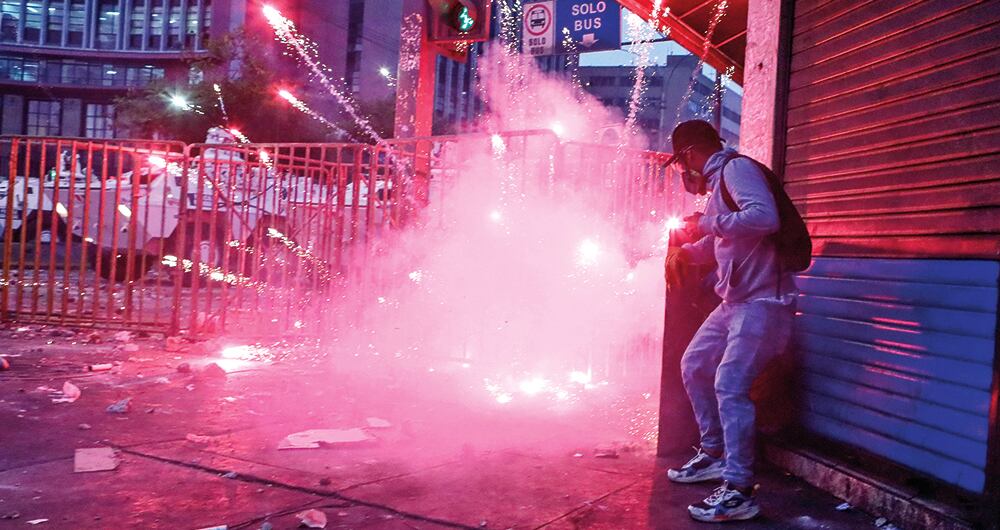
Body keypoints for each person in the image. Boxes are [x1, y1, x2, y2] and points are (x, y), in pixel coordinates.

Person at [663, 120, 797, 522]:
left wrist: (705, 223)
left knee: (729, 385)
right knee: (694, 365)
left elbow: (764, 218)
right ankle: (714, 453)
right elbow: (727, 241)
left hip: (763, 302)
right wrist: (690, 251)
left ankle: (739, 491)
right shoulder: (721, 182)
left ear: (689, 154)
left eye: (679, 164)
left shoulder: (736, 170)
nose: (682, 174)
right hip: (735, 302)